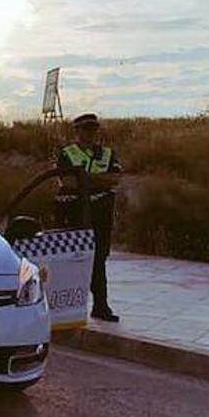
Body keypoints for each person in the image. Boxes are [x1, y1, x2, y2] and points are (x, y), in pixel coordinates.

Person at [54, 113, 122, 322]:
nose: (89, 133)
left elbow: (115, 178)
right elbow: (67, 182)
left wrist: (84, 178)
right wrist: (98, 181)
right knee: (71, 258)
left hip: (100, 212)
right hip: (74, 211)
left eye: (93, 129)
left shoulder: (108, 153)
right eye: (85, 129)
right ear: (77, 131)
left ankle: (100, 306)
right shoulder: (66, 153)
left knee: (99, 258)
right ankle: (65, 307)